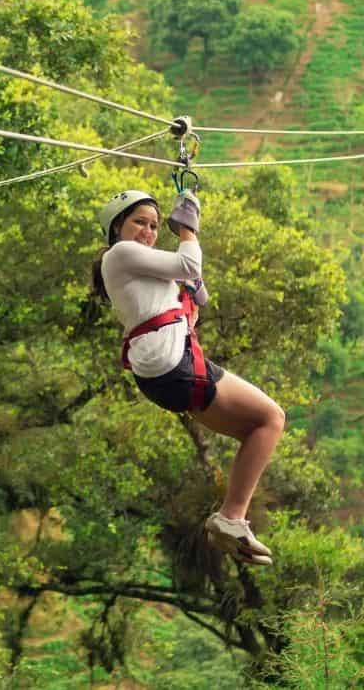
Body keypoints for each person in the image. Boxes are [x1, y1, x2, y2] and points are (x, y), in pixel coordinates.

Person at [91, 189, 285, 566]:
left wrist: (188, 293)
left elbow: (183, 280)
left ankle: (232, 519)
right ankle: (230, 518)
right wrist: (187, 231)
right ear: (117, 227)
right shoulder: (120, 253)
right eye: (139, 223)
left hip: (164, 374)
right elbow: (188, 264)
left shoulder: (137, 266)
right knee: (270, 418)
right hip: (172, 368)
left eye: (154, 225)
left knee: (259, 429)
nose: (148, 231)